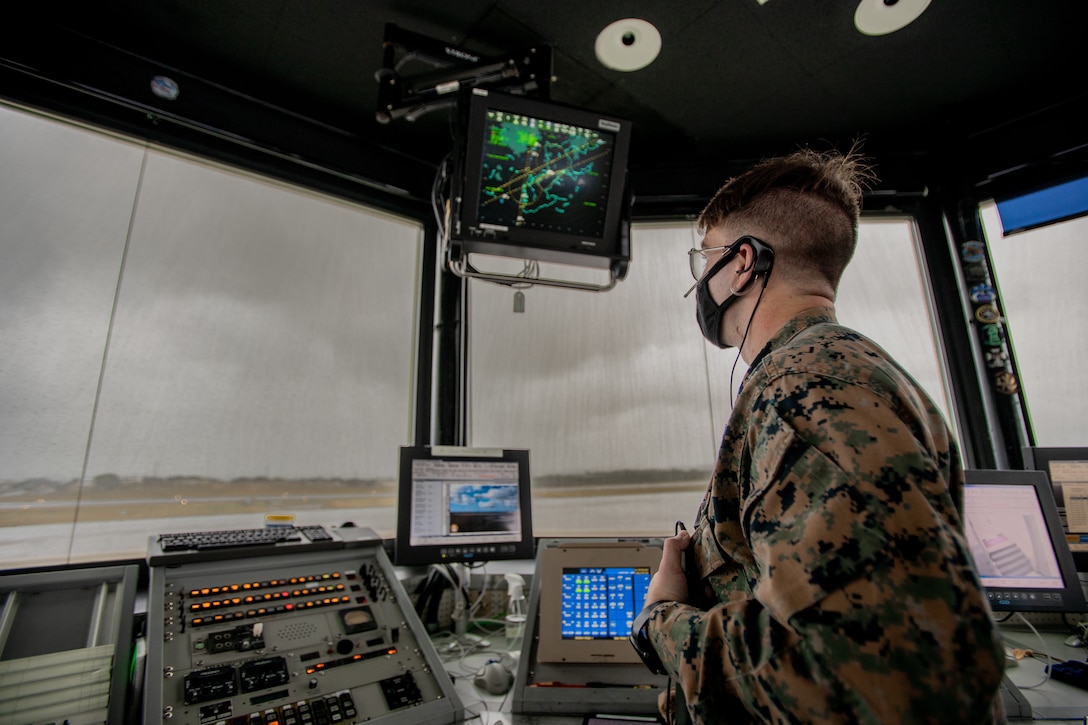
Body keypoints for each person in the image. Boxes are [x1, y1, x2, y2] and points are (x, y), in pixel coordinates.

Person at [631, 148, 1006, 723]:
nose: (699, 280)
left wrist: (663, 620)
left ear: (741, 263)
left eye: (702, 259)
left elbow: (877, 672)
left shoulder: (806, 389)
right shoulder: (849, 371)